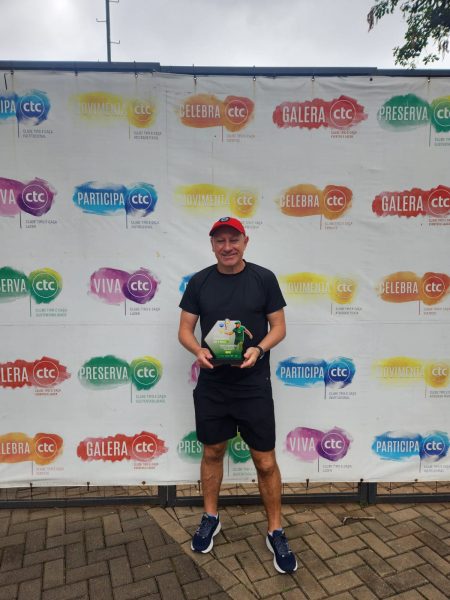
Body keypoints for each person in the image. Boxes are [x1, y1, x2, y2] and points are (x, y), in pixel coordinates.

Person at [178, 216, 297, 574]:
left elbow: (279, 327)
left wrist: (258, 349)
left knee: (265, 461)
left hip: (253, 385)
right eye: (220, 241)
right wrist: (197, 350)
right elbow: (185, 330)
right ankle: (210, 517)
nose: (227, 247)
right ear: (212, 245)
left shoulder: (264, 278)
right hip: (213, 385)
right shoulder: (199, 282)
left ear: (246, 241)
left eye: (234, 239)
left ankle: (275, 530)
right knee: (213, 451)